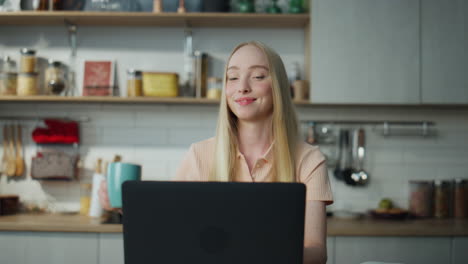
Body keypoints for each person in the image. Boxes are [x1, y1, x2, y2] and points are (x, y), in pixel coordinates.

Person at [99, 41, 333, 264]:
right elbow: (170, 228)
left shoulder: (309, 159)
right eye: (232, 77)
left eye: (258, 76)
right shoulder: (199, 154)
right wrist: (125, 207)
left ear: (279, 86)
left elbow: (317, 252)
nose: (242, 86)